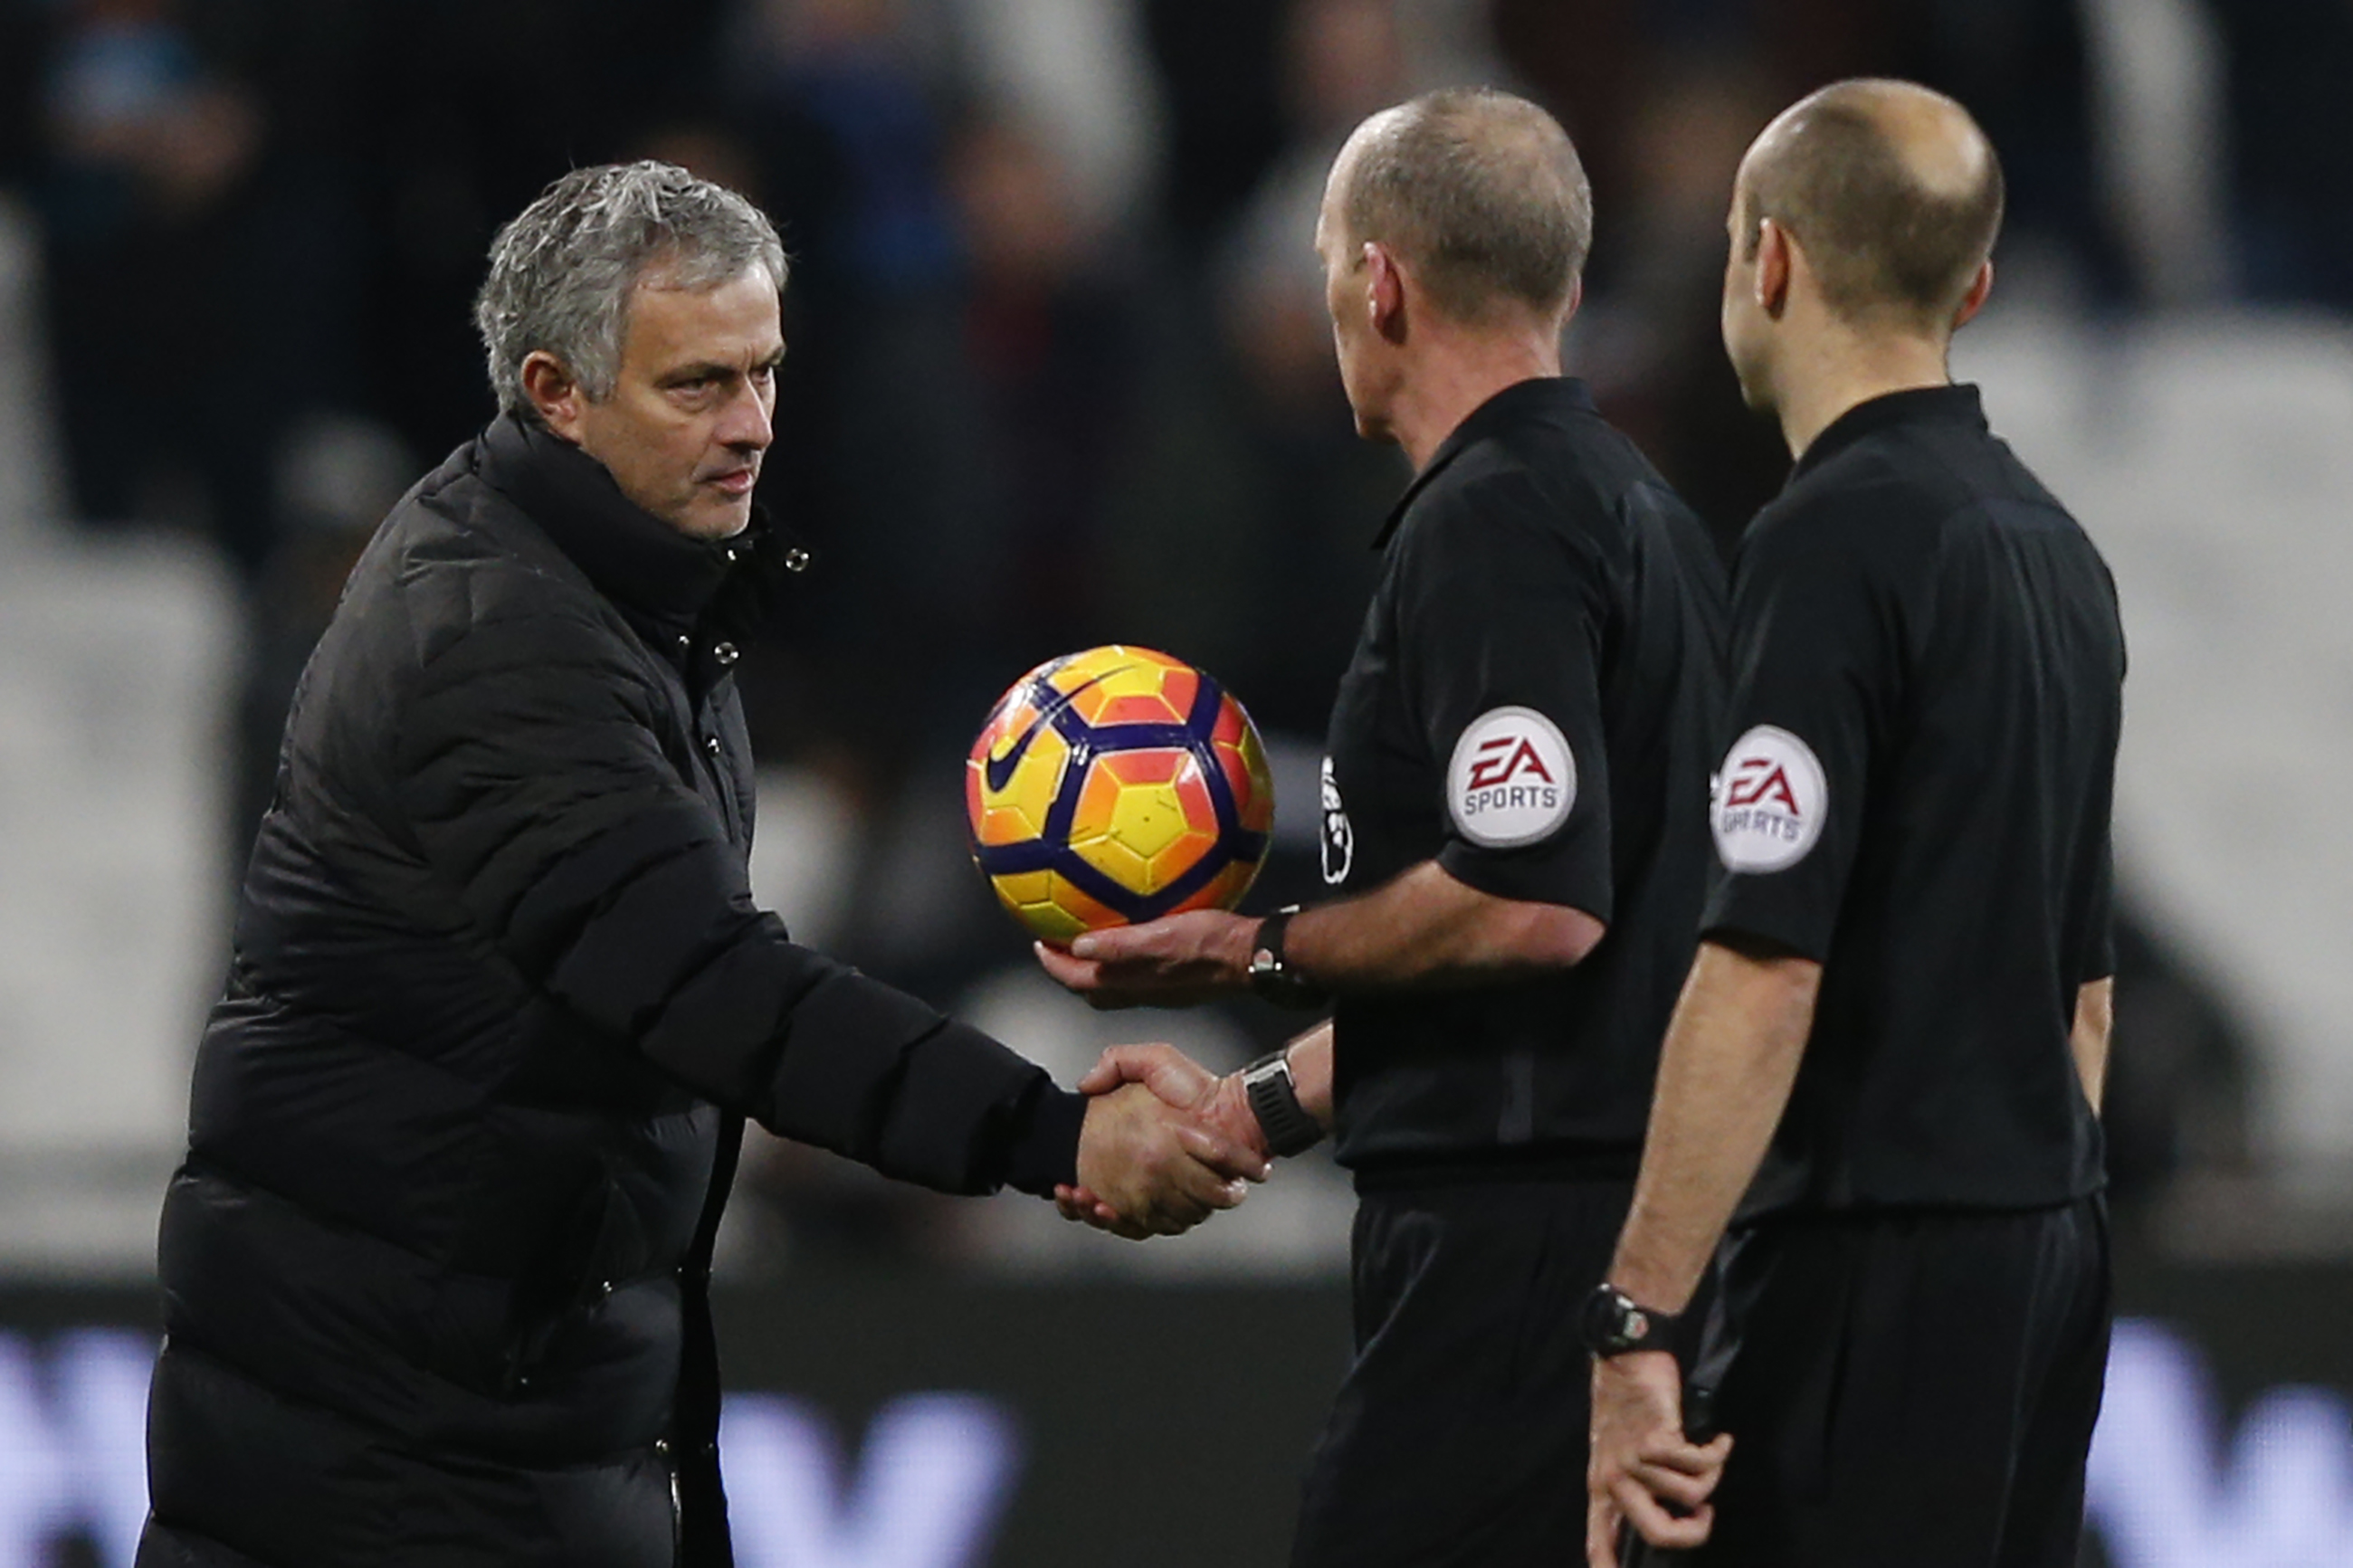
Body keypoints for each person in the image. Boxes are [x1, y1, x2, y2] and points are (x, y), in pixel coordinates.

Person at [136, 161, 1265, 1568]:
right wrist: (1052, 1132)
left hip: (501, 1413)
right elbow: (704, 983)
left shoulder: (624, 587)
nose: (751, 428)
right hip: (383, 1461)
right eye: (697, 387)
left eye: (766, 375)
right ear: (556, 390)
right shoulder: (497, 639)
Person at [1039, 90, 1727, 1568]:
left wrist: (1254, 944)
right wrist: (1256, 1107)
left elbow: (1534, 905)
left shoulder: (1499, 521)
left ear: (1379, 281)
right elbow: (1548, 956)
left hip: (1518, 1256)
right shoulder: (1641, 516)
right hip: (1605, 1226)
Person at [1583, 81, 2124, 1568]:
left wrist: (1639, 1317)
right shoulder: (2057, 553)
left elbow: (1765, 964)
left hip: (1874, 1264)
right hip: (2045, 1250)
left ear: (1768, 262)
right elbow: (2084, 992)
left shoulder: (1828, 542)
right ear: (1979, 285)